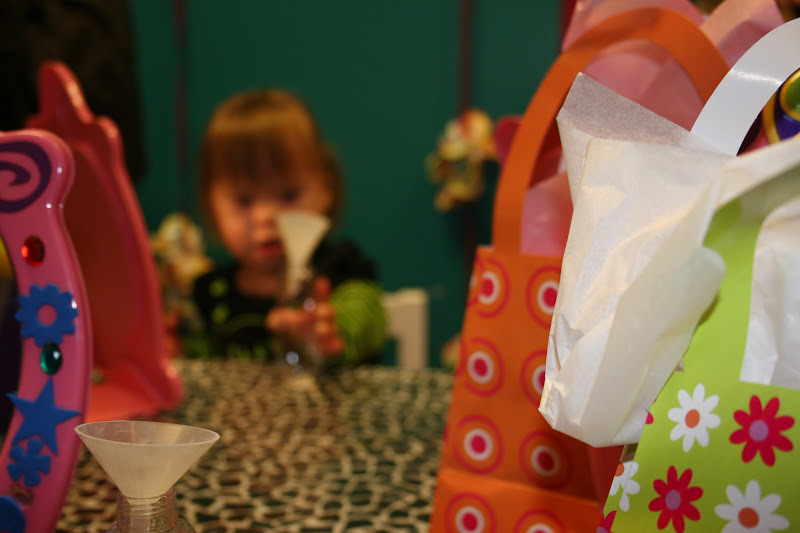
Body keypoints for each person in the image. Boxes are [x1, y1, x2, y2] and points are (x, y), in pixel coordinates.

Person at [188, 89, 386, 366]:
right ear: (210, 205)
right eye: (244, 200)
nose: (266, 217)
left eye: (288, 195)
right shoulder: (208, 294)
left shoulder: (344, 274)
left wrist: (329, 335)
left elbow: (366, 321)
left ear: (326, 189)